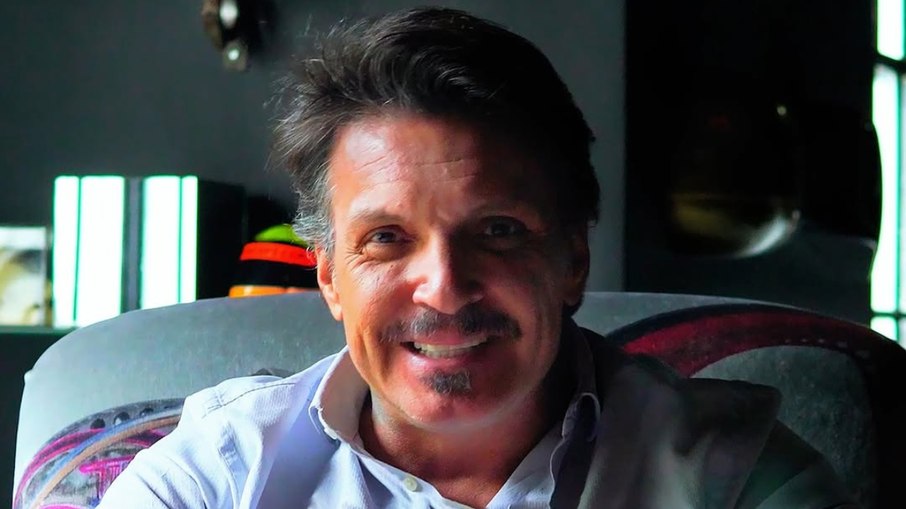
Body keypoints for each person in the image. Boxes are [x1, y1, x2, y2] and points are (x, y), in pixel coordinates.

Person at [99, 7, 857, 508]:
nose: (444, 287)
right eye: (386, 238)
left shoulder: (737, 477)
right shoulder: (214, 476)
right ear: (329, 275)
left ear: (572, 258)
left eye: (497, 230)